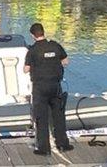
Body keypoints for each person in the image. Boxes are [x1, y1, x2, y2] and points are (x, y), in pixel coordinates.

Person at [24, 23, 73, 155]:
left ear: (32, 36)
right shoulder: (55, 45)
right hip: (55, 86)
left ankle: (44, 148)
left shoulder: (32, 50)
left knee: (41, 118)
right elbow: (66, 61)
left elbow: (26, 69)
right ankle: (63, 144)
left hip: (40, 88)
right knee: (59, 116)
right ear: (43, 32)